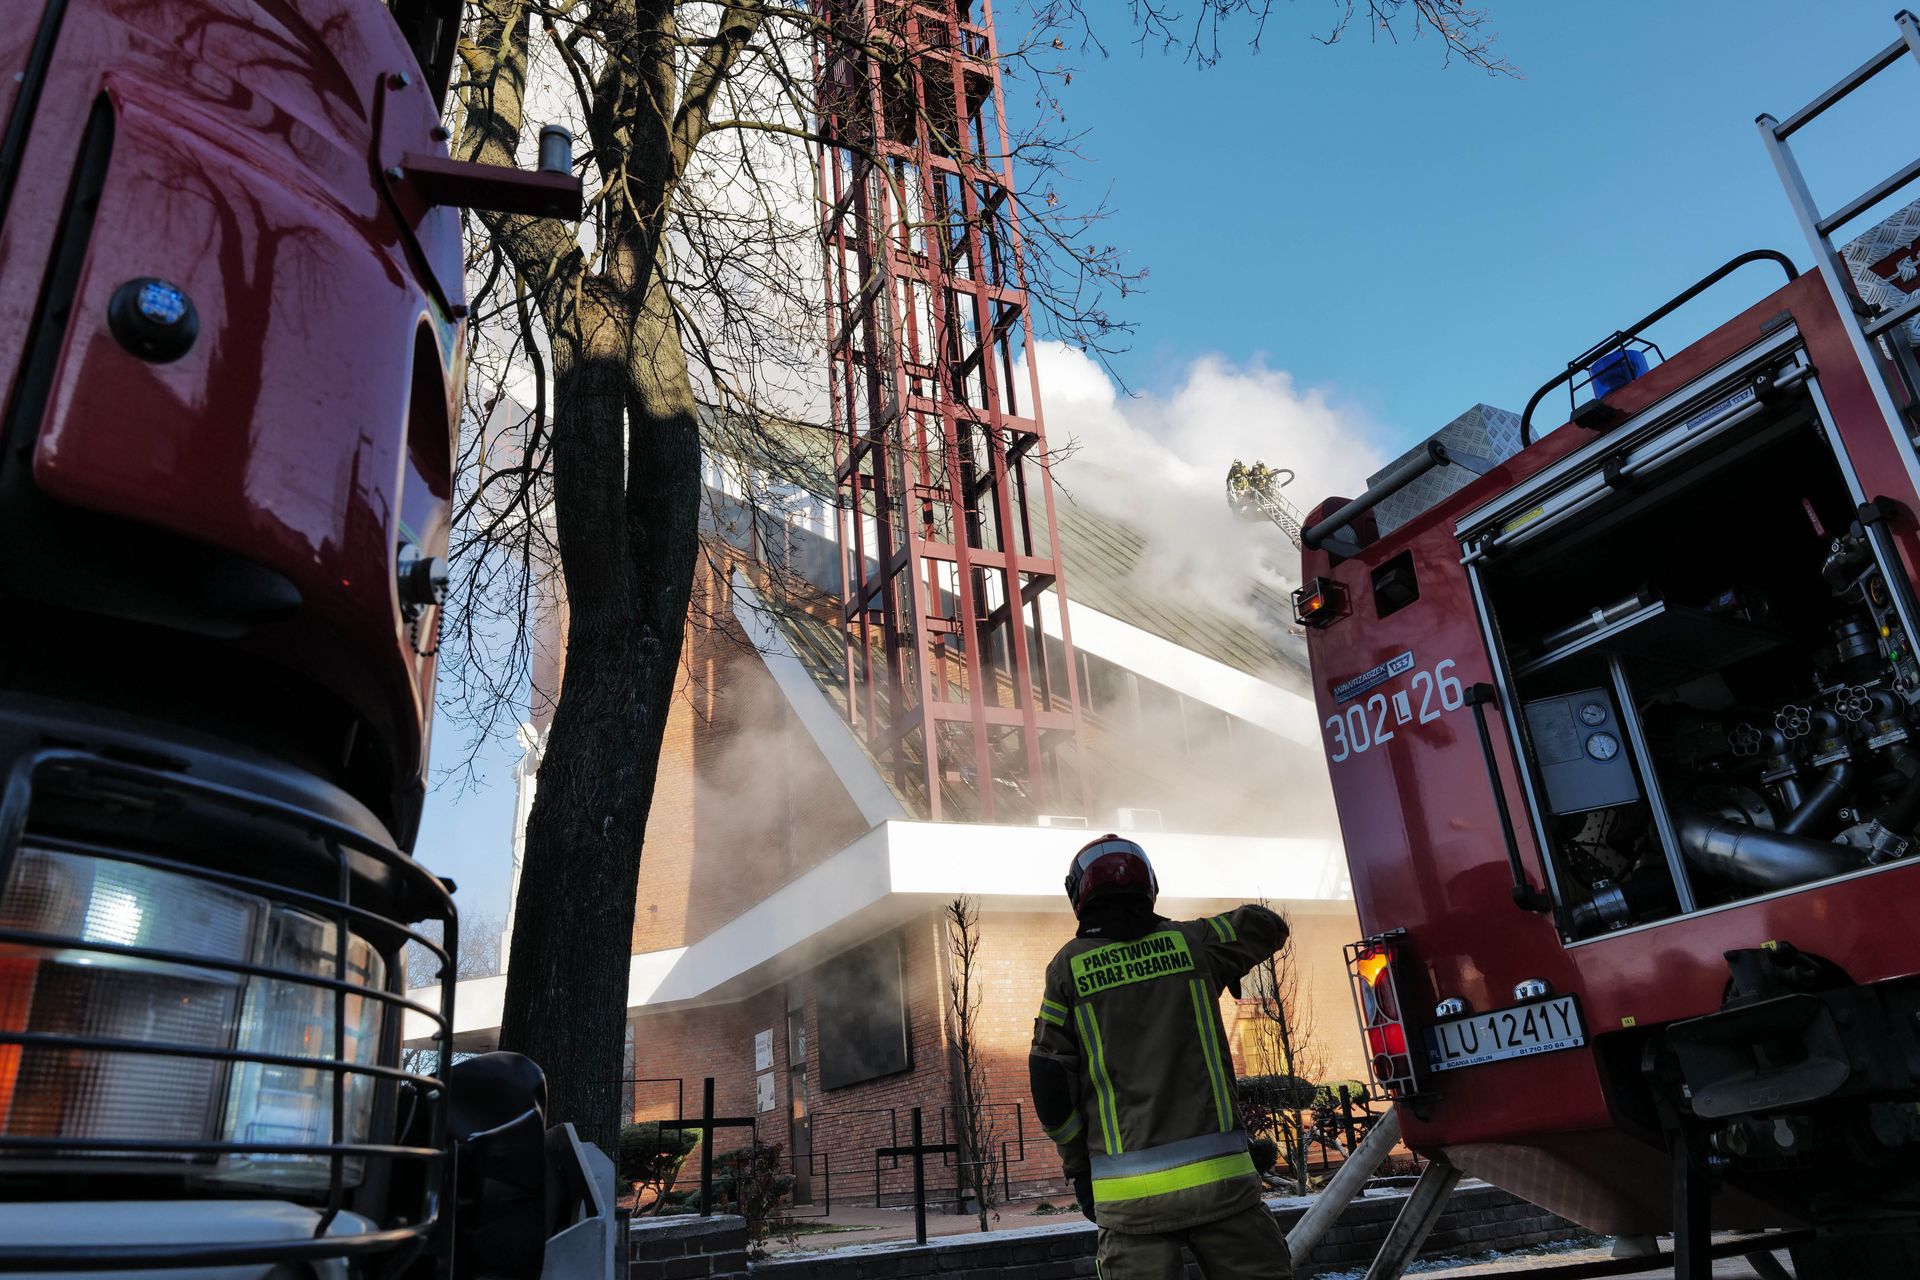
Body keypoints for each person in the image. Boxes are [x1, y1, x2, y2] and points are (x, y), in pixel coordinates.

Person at [1029, 834, 1294, 1279]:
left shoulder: (1068, 969)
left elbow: (1051, 1084)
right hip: (1225, 1189)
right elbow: (1266, 924)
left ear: (1078, 894)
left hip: (1130, 1204)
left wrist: (1080, 1168)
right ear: (1148, 885)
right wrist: (1221, 962)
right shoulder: (1196, 943)